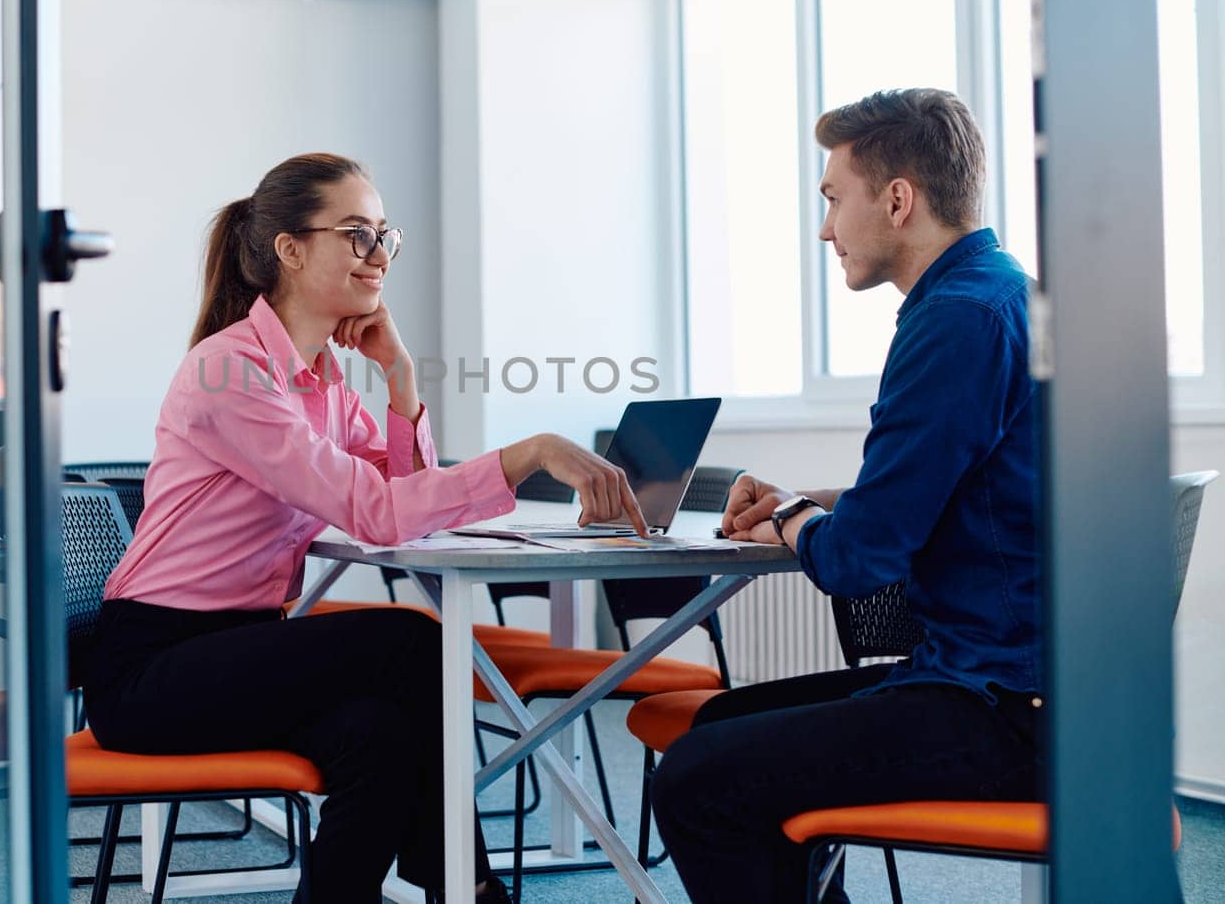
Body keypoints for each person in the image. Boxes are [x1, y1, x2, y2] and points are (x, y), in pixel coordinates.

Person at [82, 152, 646, 903]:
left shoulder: (322, 381)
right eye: (356, 234)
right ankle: (469, 888)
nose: (378, 255)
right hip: (152, 668)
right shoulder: (231, 373)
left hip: (234, 648)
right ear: (290, 249)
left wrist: (402, 379)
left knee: (377, 733)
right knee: (411, 642)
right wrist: (528, 454)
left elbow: (404, 501)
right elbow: (377, 513)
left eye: (384, 235)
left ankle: (427, 889)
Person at [649, 89, 1042, 903]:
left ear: (898, 199)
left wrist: (795, 515)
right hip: (1008, 683)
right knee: (716, 728)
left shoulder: (956, 321)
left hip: (1003, 710)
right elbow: (955, 496)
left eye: (833, 199)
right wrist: (812, 501)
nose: (825, 228)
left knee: (697, 780)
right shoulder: (1002, 294)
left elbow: (860, 558)